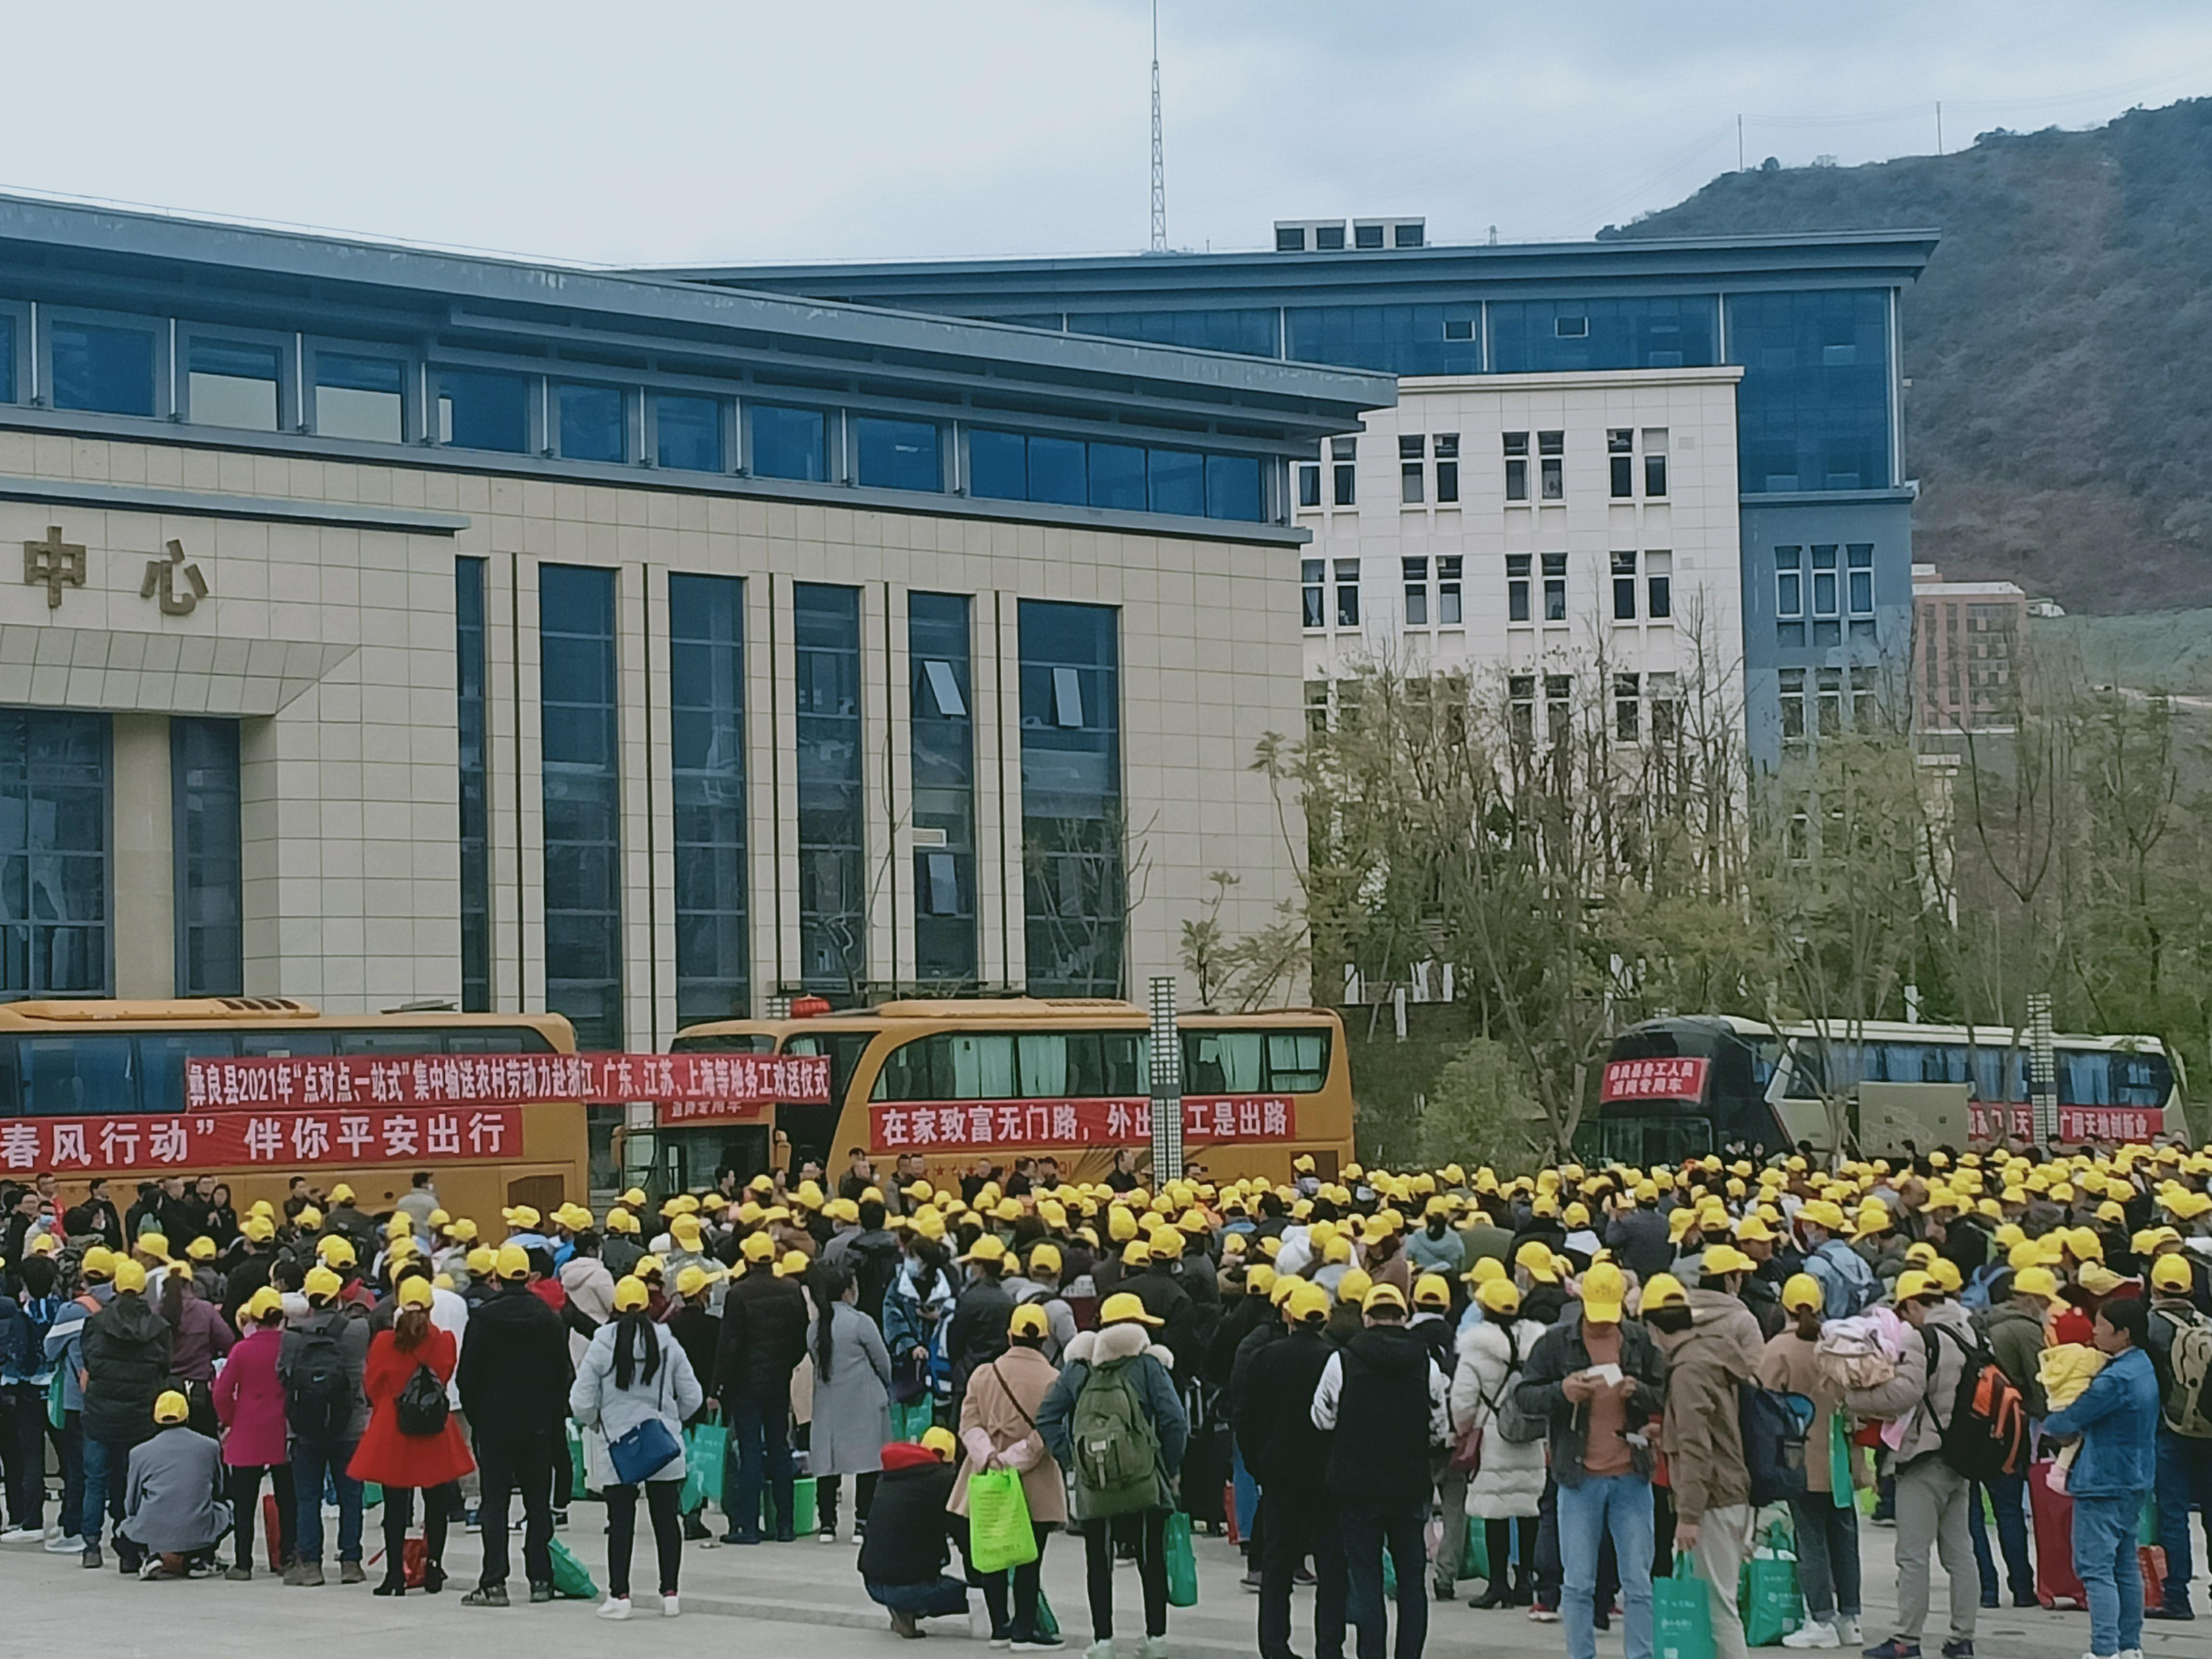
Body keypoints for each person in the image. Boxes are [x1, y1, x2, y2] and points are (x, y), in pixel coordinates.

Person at [1514, 1259, 1665, 1659]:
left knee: (1638, 1583)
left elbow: (1666, 1392)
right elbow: (1525, 1397)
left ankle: (1641, 1655)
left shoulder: (1638, 1341)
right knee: (1577, 1583)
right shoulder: (1555, 1343)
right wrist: (1562, 1392)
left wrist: (1641, 1392)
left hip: (1632, 1475)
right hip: (1578, 1478)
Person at [1036, 1291, 1190, 1659]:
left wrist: (1074, 1460)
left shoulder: (1079, 1366)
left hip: (1095, 1481)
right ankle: (1155, 1638)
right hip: (1144, 1479)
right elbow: (1174, 1421)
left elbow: (1046, 1417)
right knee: (1151, 1559)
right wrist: (1166, 1467)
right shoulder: (1148, 1366)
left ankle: (1103, 1640)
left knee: (1098, 1561)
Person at [1843, 1269, 1979, 1659]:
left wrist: (1852, 1399)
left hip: (1925, 1457)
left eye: (1904, 1312)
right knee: (1960, 1553)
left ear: (1915, 1305)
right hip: (1963, 1457)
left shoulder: (1924, 1338)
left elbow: (1903, 1395)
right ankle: (1962, 1639)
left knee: (1913, 1555)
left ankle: (1907, 1640)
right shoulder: (1970, 1331)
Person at [1311, 1282, 1451, 1659]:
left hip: (1357, 1486)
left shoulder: (1343, 1360)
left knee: (1366, 1580)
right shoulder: (1427, 1364)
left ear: (1367, 1317)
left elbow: (1322, 1419)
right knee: (1411, 1582)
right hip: (1409, 1485)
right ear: (1404, 1318)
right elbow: (1440, 1429)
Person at [1643, 1253, 1766, 1659]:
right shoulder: (1710, 1355)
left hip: (1712, 1498)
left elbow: (1698, 1447)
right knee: (1720, 1600)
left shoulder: (1687, 1371)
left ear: (1655, 1328)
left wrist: (1689, 1515)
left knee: (1718, 1608)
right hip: (1730, 1489)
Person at [571, 1274, 704, 1621]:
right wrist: (673, 1422)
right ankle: (670, 1594)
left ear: (614, 1306)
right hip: (662, 1442)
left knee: (620, 1522)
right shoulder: (666, 1341)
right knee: (666, 1520)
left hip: (618, 1447)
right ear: (647, 1305)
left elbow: (581, 1400)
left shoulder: (603, 1343)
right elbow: (692, 1396)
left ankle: (620, 1596)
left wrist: (597, 1422)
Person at [456, 1242, 571, 1606]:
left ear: (497, 1277)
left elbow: (467, 1378)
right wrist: (550, 1413)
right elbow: (563, 1373)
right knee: (538, 1502)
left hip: (494, 1423)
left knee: (496, 1502)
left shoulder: (484, 1320)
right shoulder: (548, 1317)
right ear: (529, 1275)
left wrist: (479, 1416)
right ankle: (541, 1579)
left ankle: (494, 1582)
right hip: (538, 1422)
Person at [2046, 1297, 2160, 1659]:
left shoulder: (2114, 1379)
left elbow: (2070, 1418)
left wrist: (2051, 1422)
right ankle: (2130, 1647)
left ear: (2123, 1334)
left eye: (2101, 1325)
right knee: (2125, 1565)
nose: (2094, 1331)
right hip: (2136, 1477)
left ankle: (2105, 1649)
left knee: (2095, 1570)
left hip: (2102, 1481)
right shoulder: (2143, 1366)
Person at [949, 1301, 1067, 1650]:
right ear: (1045, 1340)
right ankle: (1025, 1629)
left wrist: (991, 1457)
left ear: (1010, 1336)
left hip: (987, 1477)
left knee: (993, 1553)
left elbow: (968, 1424)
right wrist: (1016, 1457)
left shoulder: (984, 1374)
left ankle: (1000, 1627)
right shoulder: (1054, 1380)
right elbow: (1047, 1434)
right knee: (1029, 1557)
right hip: (1035, 1482)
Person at [1238, 1280, 1344, 1659]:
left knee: (1277, 1564)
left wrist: (1258, 1465)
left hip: (1279, 1475)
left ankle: (1274, 1645)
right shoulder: (1337, 1359)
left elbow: (1245, 1417)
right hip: (1326, 1478)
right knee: (1332, 1566)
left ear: (1289, 1316)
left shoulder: (1266, 1357)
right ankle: (1330, 1646)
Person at [350, 1275, 473, 1596]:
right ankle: (433, 1568)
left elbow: (372, 1386)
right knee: (436, 1503)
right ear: (432, 1308)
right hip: (433, 1429)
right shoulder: (444, 1340)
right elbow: (443, 1377)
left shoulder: (384, 1342)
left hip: (394, 1427)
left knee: (395, 1507)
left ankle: (395, 1575)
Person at [1759, 1274, 1862, 1648]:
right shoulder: (1836, 1344)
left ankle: (1821, 1620)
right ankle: (1851, 1618)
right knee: (1845, 1537)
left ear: (1784, 1307)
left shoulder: (1777, 1350)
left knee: (1811, 1540)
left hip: (1798, 1458)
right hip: (1839, 1457)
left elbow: (1766, 1407)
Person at [1451, 1275, 1546, 1609]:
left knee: (1496, 1512)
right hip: (1530, 1433)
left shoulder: (1476, 1349)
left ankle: (1497, 1584)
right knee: (1528, 1507)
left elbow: (1463, 1400)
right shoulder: (1536, 1342)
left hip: (1492, 1432)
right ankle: (1525, 1580)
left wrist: (1463, 1430)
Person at [78, 1256, 173, 1573]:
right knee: (136, 1484)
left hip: (99, 1415)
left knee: (95, 1482)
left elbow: (90, 1361)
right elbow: (165, 1369)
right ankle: (131, 1548)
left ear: (117, 1286)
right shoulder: (158, 1328)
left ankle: (91, 1545)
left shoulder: (96, 1323)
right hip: (140, 1417)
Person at [279, 1262, 370, 1587]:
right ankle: (351, 1562)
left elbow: (283, 1376)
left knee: (307, 1497)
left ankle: (312, 1565)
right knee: (350, 1496)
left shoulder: (291, 1336)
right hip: (349, 1425)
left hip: (304, 1428)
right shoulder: (357, 1330)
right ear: (337, 1298)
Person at [716, 1228, 810, 1544]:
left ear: (748, 1259)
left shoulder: (738, 1294)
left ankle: (747, 1525)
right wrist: (786, 1364)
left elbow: (730, 1345)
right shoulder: (792, 1289)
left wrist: (720, 1384)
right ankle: (785, 1524)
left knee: (751, 1450)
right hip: (779, 1379)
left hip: (746, 1384)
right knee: (780, 1446)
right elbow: (801, 1336)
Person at [2143, 1253, 2212, 1620]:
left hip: (2168, 1429)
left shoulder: (2149, 1326)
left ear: (2153, 1286)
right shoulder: (2207, 1323)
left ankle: (2177, 1597)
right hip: (2209, 1431)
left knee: (2173, 1515)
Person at [860, 1426, 973, 1638]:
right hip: (908, 1586)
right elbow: (965, 1538)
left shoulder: (891, 1476)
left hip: (872, 1582)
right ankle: (907, 1606)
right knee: (978, 1596)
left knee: (901, 1560)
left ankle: (902, 1610)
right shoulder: (943, 1480)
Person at [810, 1260, 893, 1543]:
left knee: (828, 1462)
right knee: (868, 1462)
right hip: (863, 1401)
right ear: (848, 1291)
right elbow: (883, 1362)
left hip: (828, 1404)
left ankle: (827, 1524)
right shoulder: (861, 1322)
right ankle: (862, 1522)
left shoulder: (816, 1326)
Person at [116, 1389, 230, 1579]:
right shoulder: (210, 1446)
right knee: (228, 1510)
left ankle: (149, 1555)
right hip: (199, 1529)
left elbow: (132, 1502)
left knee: (124, 1529)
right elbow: (219, 1488)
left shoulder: (139, 1452)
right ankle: (200, 1557)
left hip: (151, 1529)